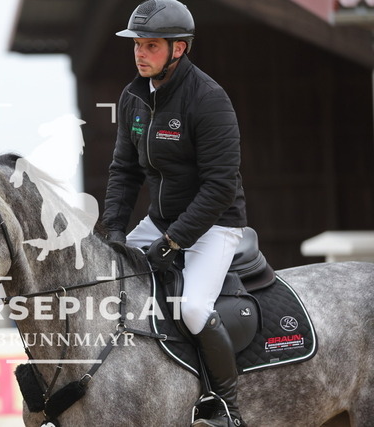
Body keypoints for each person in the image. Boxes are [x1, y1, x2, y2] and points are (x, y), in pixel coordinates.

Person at [102, 1, 247, 426]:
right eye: (137, 45)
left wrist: (174, 241)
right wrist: (114, 229)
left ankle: (225, 407)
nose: (140, 53)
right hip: (160, 224)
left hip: (214, 225)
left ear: (178, 49)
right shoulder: (132, 97)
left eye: (150, 46)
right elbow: (124, 171)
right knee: (104, 283)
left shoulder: (209, 99)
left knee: (192, 309)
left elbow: (219, 187)